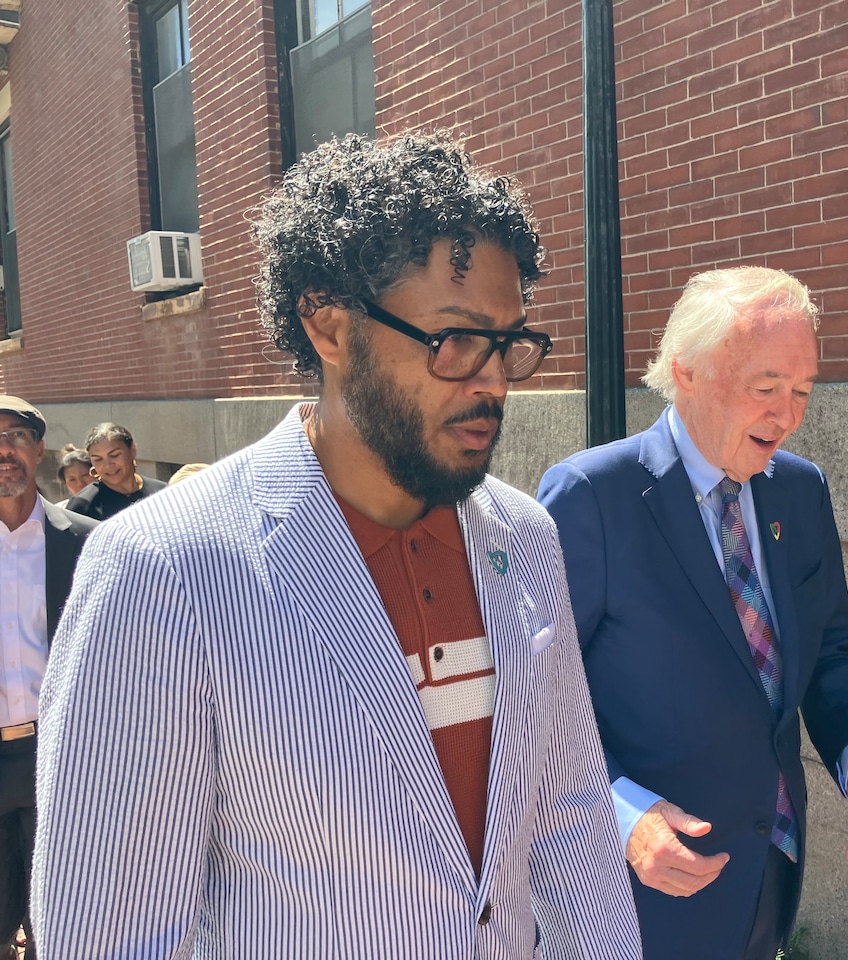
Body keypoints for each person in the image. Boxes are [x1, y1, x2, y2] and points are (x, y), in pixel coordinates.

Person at [32, 133, 642, 959]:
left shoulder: (525, 537)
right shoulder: (162, 569)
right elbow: (113, 932)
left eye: (508, 344)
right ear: (329, 326)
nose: (493, 380)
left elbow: (570, 823)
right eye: (457, 340)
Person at [538, 267, 848, 960]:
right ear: (685, 371)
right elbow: (537, 697)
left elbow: (826, 653)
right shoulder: (591, 495)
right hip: (637, 888)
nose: (787, 415)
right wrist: (621, 814)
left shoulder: (800, 490)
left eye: (802, 391)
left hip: (767, 870)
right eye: (765, 389)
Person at [0, 397, 98, 960]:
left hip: (59, 760)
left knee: (59, 926)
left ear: (39, 449)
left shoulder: (89, 542)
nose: (4, 450)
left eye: (16, 435)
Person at [63, 423, 166, 520]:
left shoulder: (162, 492)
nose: (108, 465)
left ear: (132, 450)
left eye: (114, 455)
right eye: (98, 459)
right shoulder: (82, 506)